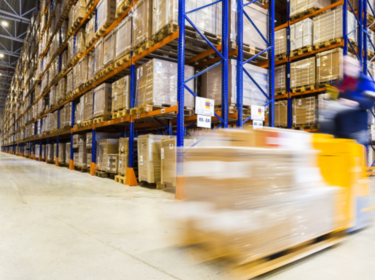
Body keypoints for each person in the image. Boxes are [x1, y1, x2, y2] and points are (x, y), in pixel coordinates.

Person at [319, 56, 375, 146]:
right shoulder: (339, 84)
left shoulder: (365, 82)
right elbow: (329, 99)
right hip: (339, 132)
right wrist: (325, 104)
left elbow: (370, 101)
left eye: (350, 65)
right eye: (344, 65)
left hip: (356, 132)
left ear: (358, 67)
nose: (346, 67)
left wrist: (356, 103)